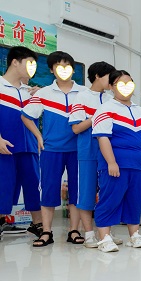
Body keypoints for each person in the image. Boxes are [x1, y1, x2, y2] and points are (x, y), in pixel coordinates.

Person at [22, 51, 85, 247]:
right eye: (59, 66)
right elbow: (26, 116)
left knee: (76, 192)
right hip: (51, 149)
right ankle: (46, 232)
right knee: (48, 190)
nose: (64, 70)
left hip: (78, 150)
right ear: (51, 70)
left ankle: (74, 231)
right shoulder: (43, 94)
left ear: (72, 69)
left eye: (67, 66)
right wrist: (39, 136)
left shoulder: (83, 93)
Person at [91, 70, 141, 252]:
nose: (126, 88)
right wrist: (111, 162)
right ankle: (104, 238)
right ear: (111, 87)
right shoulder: (105, 109)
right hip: (116, 165)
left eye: (129, 83)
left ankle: (134, 235)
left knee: (135, 200)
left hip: (140, 165)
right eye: (121, 84)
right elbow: (103, 137)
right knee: (110, 199)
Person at [69, 61, 117, 248]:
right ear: (97, 76)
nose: (112, 81)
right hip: (88, 151)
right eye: (109, 77)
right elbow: (76, 128)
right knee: (87, 193)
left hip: (108, 153)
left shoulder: (111, 99)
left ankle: (105, 233)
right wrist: (96, 116)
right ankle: (89, 234)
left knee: (108, 193)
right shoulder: (82, 97)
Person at [0, 46, 43, 240]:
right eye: (30, 63)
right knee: (4, 184)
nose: (32, 69)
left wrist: (41, 96)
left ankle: (38, 223)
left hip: (29, 146)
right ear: (15, 62)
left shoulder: (30, 92)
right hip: (6, 144)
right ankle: (1, 221)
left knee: (33, 184)